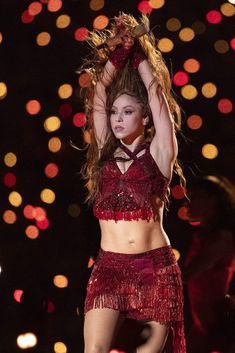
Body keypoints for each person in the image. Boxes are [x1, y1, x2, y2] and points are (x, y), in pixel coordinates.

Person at [78, 12, 186, 353]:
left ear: (144, 118)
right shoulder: (107, 154)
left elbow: (158, 98)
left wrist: (140, 53)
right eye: (115, 113)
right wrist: (116, 56)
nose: (118, 118)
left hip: (154, 267)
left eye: (127, 112)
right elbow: (97, 97)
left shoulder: (160, 153)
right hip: (108, 267)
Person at [183, 175, 235, 353]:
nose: (188, 202)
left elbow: (188, 274)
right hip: (204, 324)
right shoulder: (203, 237)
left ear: (212, 201)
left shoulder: (220, 240)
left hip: (217, 325)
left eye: (195, 196)